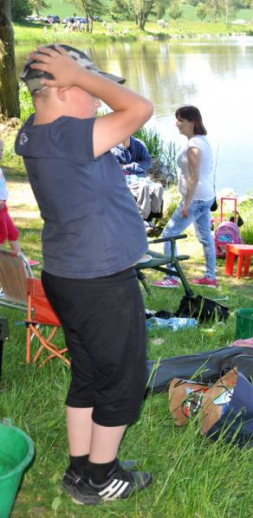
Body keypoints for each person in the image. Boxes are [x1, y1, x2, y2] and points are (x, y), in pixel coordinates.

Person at [15, 44, 154, 505]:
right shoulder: (70, 137)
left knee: (90, 374)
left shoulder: (34, 133)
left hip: (69, 274)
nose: (98, 99)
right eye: (89, 88)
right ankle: (102, 478)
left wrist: (77, 75)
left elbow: (115, 108)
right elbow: (139, 107)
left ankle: (81, 469)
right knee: (122, 380)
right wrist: (79, 72)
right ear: (60, 88)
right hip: (101, 280)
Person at [152, 105, 217, 288]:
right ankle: (210, 277)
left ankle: (171, 277)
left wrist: (186, 204)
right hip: (205, 197)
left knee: (168, 234)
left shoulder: (194, 145)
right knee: (205, 237)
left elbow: (194, 176)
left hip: (196, 199)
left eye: (180, 120)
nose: (176, 124)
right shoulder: (201, 140)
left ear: (192, 122)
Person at [0, 138, 39, 266]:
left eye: (1, 150)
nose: (0, 153)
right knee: (2, 234)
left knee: (12, 233)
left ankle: (22, 261)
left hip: (3, 206)